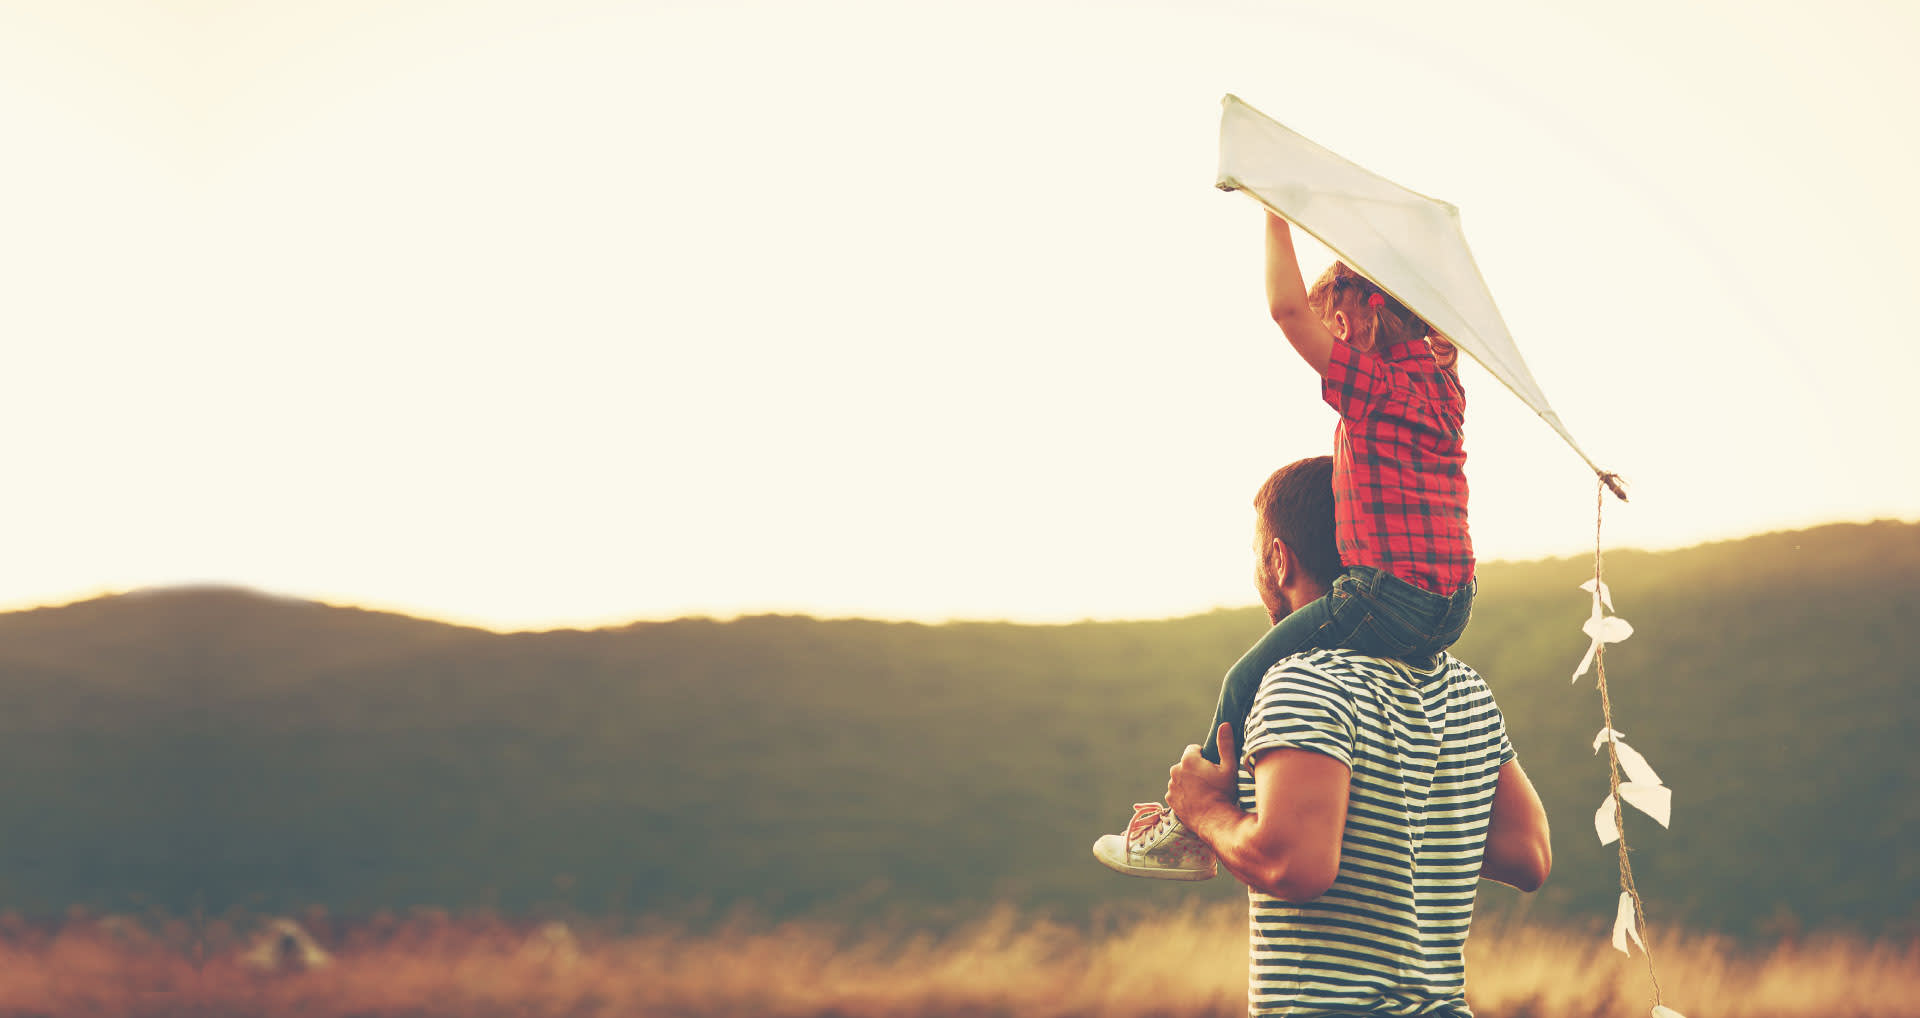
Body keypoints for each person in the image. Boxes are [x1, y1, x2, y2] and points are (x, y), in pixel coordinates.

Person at [1093, 211, 1476, 879]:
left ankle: (1190, 825)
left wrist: (1277, 214)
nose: (1328, 338)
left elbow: (1284, 310)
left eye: (1335, 325)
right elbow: (1428, 331)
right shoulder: (1445, 389)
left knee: (1245, 678)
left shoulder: (1377, 388)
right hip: (1454, 605)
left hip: (1386, 596)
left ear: (1359, 321)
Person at [1146, 455, 1554, 1016]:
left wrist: (1205, 813)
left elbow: (1296, 867)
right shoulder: (1464, 688)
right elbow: (1527, 855)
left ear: (1278, 558)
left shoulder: (1304, 679)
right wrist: (1394, 817)